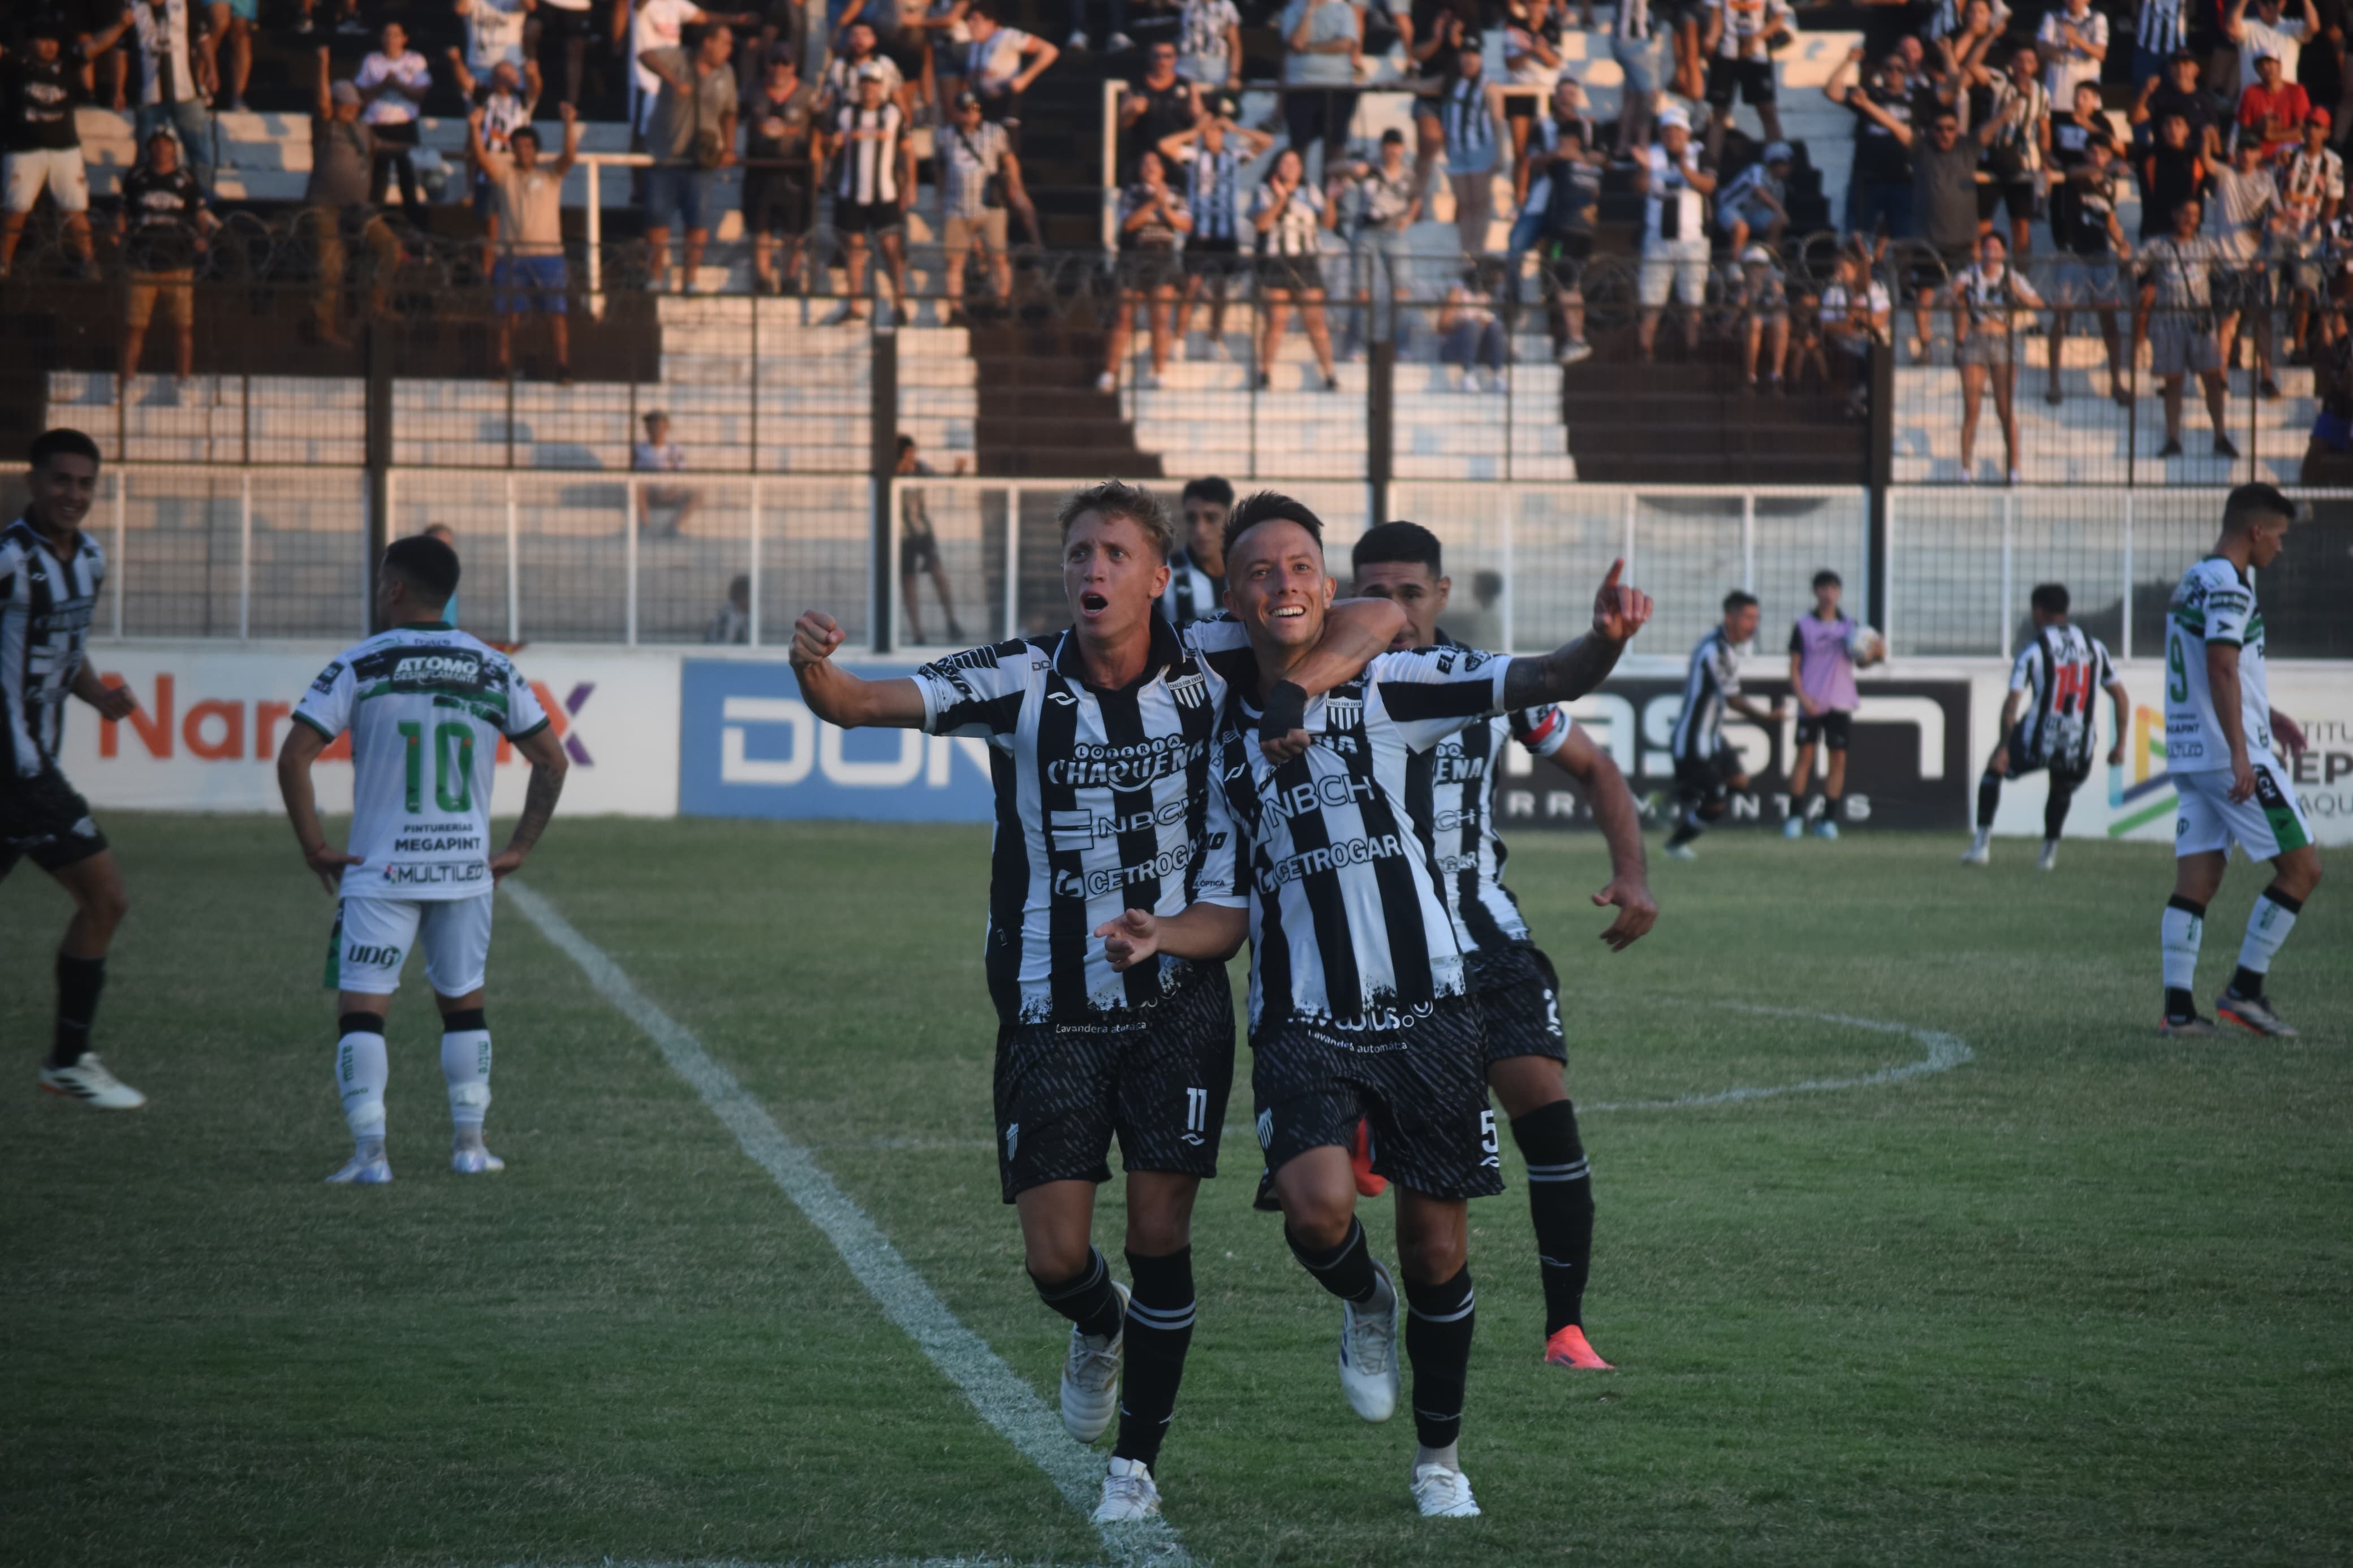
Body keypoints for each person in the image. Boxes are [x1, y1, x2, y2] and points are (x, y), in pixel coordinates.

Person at [785, 481, 1402, 1526]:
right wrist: (813, 665)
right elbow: (857, 702)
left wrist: (1305, 681)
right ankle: (1094, 1322)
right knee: (1055, 1256)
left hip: (1176, 999)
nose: (1093, 571)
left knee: (1163, 1235)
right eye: (1078, 554)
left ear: (1161, 578)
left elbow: (1380, 614)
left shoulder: (1211, 656)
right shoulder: (1017, 677)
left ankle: (1136, 1465)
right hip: (1046, 1004)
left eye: (1116, 553)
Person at [1109, 493, 1648, 1519]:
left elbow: (1536, 679)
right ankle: (1363, 1298)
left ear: (1330, 581)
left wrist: (1602, 640)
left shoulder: (1396, 683)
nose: (1285, 584)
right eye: (1261, 570)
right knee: (1316, 1211)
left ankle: (1440, 1458)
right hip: (1304, 1015)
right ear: (1232, 597)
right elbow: (1227, 901)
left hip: (1431, 1009)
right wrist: (1164, 930)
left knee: (1440, 1248)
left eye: (1303, 566)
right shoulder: (1218, 727)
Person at [1347, 520, 1656, 1376]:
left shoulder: (1489, 685)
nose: (1394, 611)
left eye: (1411, 592)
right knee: (1392, 1192)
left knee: (1544, 1103)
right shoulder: (1320, 684)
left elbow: (1597, 767)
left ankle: (1566, 1328)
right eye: (1374, 592)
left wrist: (1632, 874)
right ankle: (1367, 1132)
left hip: (1484, 931)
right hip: (1373, 951)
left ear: (1443, 597)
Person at [277, 533, 570, 1183]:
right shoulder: (493, 667)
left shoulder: (361, 664)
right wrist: (517, 848)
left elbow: (293, 755)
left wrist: (315, 848)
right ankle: (470, 1147)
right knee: (463, 1005)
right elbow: (552, 759)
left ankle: (370, 1155)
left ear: (394, 587)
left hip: (379, 871)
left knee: (363, 1011)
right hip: (465, 872)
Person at [5, 430, 145, 1111]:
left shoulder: (89, 559)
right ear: (32, 482)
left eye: (86, 484)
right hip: (18, 773)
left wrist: (97, 693)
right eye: (62, 480)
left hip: (33, 770)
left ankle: (67, 1061)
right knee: (107, 897)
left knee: (104, 902)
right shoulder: (6, 559)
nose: (74, 495)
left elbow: (66, 646)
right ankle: (67, 1061)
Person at [2154, 482, 2320, 1036]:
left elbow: (2219, 668)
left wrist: (2264, 711)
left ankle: (2177, 1011)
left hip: (2189, 752)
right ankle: (2243, 991)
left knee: (2195, 881)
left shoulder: (2193, 580)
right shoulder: (2229, 587)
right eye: (2277, 537)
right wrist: (2241, 754)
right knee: (2301, 870)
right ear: (2254, 531)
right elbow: (2221, 667)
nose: (2279, 548)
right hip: (2228, 756)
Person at [1960, 582, 2128, 870]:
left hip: (2039, 735)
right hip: (2079, 739)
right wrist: (2121, 743)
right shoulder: (2094, 647)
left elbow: (2013, 701)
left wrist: (2003, 747)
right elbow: (2120, 695)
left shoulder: (2035, 649)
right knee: (2061, 785)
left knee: (1993, 771)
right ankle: (2048, 855)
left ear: (2038, 611)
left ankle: (1981, 847)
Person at [1661, 590, 1787, 859]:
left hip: (1713, 737)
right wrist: (1767, 718)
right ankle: (1674, 844)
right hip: (1693, 740)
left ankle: (1681, 794)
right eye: (1748, 618)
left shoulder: (1722, 646)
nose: (1754, 625)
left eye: (1757, 618)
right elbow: (1734, 701)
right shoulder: (1716, 650)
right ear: (1730, 618)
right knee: (1716, 803)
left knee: (1739, 782)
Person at [469, 100, 581, 382]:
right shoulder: (505, 175)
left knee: (557, 315)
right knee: (507, 315)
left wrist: (569, 124)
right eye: (518, 147)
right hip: (513, 257)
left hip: (548, 256)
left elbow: (569, 156)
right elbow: (482, 158)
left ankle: (563, 366)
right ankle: (502, 364)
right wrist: (474, 127)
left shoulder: (550, 174)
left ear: (536, 150)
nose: (523, 152)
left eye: (528, 147)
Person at [301, 48, 399, 348]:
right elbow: (322, 104)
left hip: (358, 209)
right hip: (325, 207)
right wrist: (323, 65)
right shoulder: (326, 128)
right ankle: (324, 325)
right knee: (331, 263)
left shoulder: (363, 130)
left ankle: (377, 305)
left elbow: (384, 146)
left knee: (390, 246)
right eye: (345, 104)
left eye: (354, 105)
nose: (351, 109)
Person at [1160, 97, 1267, 359]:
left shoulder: (1234, 158)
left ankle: (1213, 337)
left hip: (1225, 233)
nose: (1211, 135)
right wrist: (1194, 131)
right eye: (1208, 131)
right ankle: (1180, 338)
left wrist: (1236, 129)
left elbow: (1266, 143)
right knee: (1192, 285)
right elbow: (1165, 146)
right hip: (1200, 232)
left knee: (1221, 287)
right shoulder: (1194, 157)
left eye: (1215, 130)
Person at [640, 21, 739, 295]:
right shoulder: (680, 58)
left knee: (697, 221)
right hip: (666, 156)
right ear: (708, 42)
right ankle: (656, 277)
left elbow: (730, 112)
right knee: (657, 219)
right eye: (725, 43)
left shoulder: (726, 73)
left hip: (701, 159)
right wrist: (672, 80)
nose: (729, 50)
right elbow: (645, 55)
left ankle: (690, 279)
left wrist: (729, 147)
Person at [115, 127, 216, 392]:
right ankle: (127, 382)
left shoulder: (186, 180)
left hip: (179, 264)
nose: (161, 149)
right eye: (156, 144)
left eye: (166, 144)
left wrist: (203, 237)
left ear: (174, 148)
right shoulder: (136, 178)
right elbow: (123, 212)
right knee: (134, 327)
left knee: (183, 328)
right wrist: (118, 233)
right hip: (141, 263)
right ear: (150, 148)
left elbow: (200, 215)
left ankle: (183, 383)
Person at [1782, 569, 1881, 839]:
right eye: (1823, 589)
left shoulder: (1851, 627)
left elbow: (1862, 662)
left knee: (1838, 760)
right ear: (1816, 592)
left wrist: (1876, 655)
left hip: (1840, 702)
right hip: (1812, 701)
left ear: (1839, 593)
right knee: (1804, 758)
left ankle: (1827, 821)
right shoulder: (1804, 626)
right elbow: (1794, 667)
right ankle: (1793, 819)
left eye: (1833, 589)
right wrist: (1803, 698)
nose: (1828, 594)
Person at [2141, 195, 2239, 457]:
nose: (2189, 219)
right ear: (2175, 214)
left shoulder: (2208, 246)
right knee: (2173, 382)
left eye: (2195, 215)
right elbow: (2135, 269)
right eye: (2185, 213)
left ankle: (2220, 436)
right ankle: (2173, 437)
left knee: (2212, 379)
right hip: (2169, 321)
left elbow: (2225, 278)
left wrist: (2226, 309)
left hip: (2200, 323)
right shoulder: (2157, 245)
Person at [2045, 131, 2133, 408]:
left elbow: (2109, 217)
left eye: (2102, 153)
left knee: (2110, 319)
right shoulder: (2077, 176)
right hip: (2073, 253)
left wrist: (2121, 242)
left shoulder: (2108, 183)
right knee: (2063, 316)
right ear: (2086, 154)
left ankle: (2117, 381)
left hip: (2100, 254)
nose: (2097, 157)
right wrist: (2104, 167)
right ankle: (2054, 382)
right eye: (2092, 152)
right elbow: (2071, 172)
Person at [1950, 231, 2046, 483]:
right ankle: (1965, 467)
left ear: (2003, 253)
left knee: (2005, 408)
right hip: (1976, 340)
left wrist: (2019, 294)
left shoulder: (2011, 277)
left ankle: (2013, 465)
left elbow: (2039, 304)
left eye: (1996, 248)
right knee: (1972, 408)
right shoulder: (1968, 275)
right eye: (1987, 248)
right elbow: (1944, 297)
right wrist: (1954, 292)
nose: (1990, 253)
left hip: (2004, 340)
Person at [1, 24, 94, 280]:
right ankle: (4, 264)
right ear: (31, 43)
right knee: (16, 207)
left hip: (65, 149)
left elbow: (95, 47)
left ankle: (89, 263)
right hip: (24, 149)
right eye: (43, 40)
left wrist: (122, 24)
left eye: (53, 41)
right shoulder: (16, 67)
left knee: (75, 208)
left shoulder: (68, 67)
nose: (50, 46)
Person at [824, 62, 912, 323]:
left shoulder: (894, 115)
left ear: (882, 86)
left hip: (885, 193)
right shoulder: (846, 114)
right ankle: (855, 306)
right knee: (854, 250)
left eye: (874, 82)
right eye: (865, 82)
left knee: (891, 249)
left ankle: (900, 303)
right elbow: (830, 149)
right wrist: (833, 145)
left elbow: (907, 153)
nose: (869, 87)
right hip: (852, 192)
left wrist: (909, 187)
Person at [1100, 149, 1192, 393]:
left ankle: (1159, 372)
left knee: (1160, 319)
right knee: (1123, 318)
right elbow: (1129, 224)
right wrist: (1154, 203)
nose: (1151, 168)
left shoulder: (1176, 195)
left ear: (1163, 170)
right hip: (1134, 260)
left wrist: (1166, 208)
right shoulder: (1132, 194)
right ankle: (1110, 373)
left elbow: (1185, 224)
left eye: (1155, 164)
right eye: (1146, 164)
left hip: (1163, 259)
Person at [937, 87, 1031, 320]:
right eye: (964, 111)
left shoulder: (994, 132)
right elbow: (939, 168)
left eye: (974, 110)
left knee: (998, 256)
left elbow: (1008, 160)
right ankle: (956, 308)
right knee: (955, 261)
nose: (969, 115)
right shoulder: (945, 136)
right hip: (957, 205)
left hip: (989, 204)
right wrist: (940, 196)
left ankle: (1002, 302)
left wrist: (1015, 187)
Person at [446, 50, 542, 278]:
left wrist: (533, 74)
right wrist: (457, 60)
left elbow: (535, 88)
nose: (503, 79)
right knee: (491, 224)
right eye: (498, 74)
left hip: (516, 168)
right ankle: (490, 273)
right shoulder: (485, 97)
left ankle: (518, 271)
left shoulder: (521, 100)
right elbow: (465, 81)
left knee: (519, 221)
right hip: (489, 168)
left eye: (508, 74)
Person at [1251, 145, 1339, 391]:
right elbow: (1262, 224)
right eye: (1286, 162)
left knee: (1315, 321)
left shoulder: (1310, 191)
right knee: (1277, 320)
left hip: (1305, 261)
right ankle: (1265, 373)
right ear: (1277, 166)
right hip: (1276, 261)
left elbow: (1328, 223)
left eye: (1296, 163)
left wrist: (1331, 198)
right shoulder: (1265, 190)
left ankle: (1329, 373)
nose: (1291, 167)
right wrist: (1280, 200)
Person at [1633, 105, 1715, 361]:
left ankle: (1693, 351)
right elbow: (1638, 187)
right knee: (1651, 300)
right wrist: (1645, 168)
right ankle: (1645, 351)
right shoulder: (1651, 154)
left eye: (1678, 131)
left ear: (1687, 133)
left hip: (1692, 240)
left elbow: (1709, 186)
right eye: (1667, 131)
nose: (1673, 136)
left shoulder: (1700, 154)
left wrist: (1685, 170)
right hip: (1658, 239)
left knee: (1693, 300)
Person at [1525, 96, 1600, 365]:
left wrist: (1558, 154)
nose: (1558, 146)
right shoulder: (1593, 166)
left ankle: (1576, 338)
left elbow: (1536, 164)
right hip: (1585, 234)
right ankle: (1576, 338)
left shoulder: (1565, 162)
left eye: (1562, 141)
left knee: (1563, 285)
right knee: (1573, 286)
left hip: (1565, 231)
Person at [1334, 127, 1420, 358]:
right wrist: (1352, 168)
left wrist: (1408, 219)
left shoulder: (1409, 175)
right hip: (1366, 233)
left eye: (1396, 145)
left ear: (1402, 149)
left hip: (1393, 234)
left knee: (1402, 291)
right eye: (1388, 145)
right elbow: (1333, 169)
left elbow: (1416, 199)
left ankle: (1402, 346)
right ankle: (1358, 345)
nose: (1392, 150)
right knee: (1362, 291)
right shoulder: (1369, 169)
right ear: (1382, 148)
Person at [2208, 134, 2283, 398]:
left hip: (2257, 261)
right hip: (2228, 262)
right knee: (2226, 320)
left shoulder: (2266, 180)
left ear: (2259, 153)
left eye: (2251, 149)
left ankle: (2266, 376)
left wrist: (2276, 223)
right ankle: (2221, 376)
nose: (2245, 154)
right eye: (2242, 149)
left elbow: (2279, 213)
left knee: (2263, 318)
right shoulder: (2227, 175)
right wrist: (2208, 138)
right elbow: (2207, 163)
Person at [741, 47, 818, 296]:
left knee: (793, 228)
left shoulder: (807, 94)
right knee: (761, 225)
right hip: (761, 165)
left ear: (794, 66)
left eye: (785, 63)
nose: (780, 69)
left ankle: (790, 277)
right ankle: (763, 277)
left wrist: (816, 157)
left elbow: (819, 126)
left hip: (794, 167)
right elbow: (732, 116)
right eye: (775, 62)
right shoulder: (753, 91)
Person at [1420, 41, 1502, 260]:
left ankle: (1478, 251)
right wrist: (1392, 83)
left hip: (1480, 151)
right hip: (1457, 152)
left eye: (1474, 55)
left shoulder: (1489, 86)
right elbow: (1422, 85)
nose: (1470, 59)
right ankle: (1468, 253)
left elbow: (1498, 123)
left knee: (1480, 204)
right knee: (1465, 205)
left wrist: (1500, 155)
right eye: (1466, 55)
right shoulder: (1450, 83)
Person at [2278, 111, 2341, 361]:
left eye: (2318, 126)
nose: (2312, 131)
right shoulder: (2287, 153)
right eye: (2309, 125)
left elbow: (2333, 200)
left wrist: (2321, 228)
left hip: (2309, 232)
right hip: (2281, 230)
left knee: (2305, 289)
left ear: (2326, 132)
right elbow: (2269, 184)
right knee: (2264, 290)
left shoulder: (2332, 162)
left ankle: (2299, 346)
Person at [1700, 0, 1793, 167]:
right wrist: (1711, 40)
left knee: (1767, 109)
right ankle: (1710, 167)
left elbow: (1779, 19)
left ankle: (1779, 164)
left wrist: (1756, 38)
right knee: (1719, 111)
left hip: (1758, 54)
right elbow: (1716, 18)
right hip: (1726, 53)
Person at [1979, 44, 2050, 260]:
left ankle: (2020, 280)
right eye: (2019, 60)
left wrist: (2046, 159)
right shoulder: (1999, 82)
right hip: (1993, 157)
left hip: (2024, 162)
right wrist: (1989, 35)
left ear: (2036, 67)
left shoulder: (2042, 92)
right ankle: (1981, 276)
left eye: (2030, 62)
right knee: (1982, 223)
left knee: (2021, 224)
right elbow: (1973, 67)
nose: (2024, 67)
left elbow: (2044, 129)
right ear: (2011, 63)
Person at [355, 21, 430, 212]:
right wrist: (383, 85)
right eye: (387, 35)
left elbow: (420, 95)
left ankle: (413, 221)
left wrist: (398, 84)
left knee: (408, 175)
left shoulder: (415, 60)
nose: (391, 40)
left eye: (396, 35)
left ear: (405, 38)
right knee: (378, 176)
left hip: (404, 124)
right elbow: (362, 96)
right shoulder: (372, 60)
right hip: (377, 124)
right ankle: (373, 220)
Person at [895, 433, 963, 642]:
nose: (912, 458)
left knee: (938, 573)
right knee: (909, 581)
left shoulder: (920, 468)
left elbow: (940, 480)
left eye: (913, 453)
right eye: (908, 454)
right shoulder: (892, 471)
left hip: (923, 533)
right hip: (902, 536)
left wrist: (957, 473)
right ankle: (918, 632)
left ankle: (952, 622)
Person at [1282, 0, 1363, 166]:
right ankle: (1298, 189)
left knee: (1336, 146)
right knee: (1299, 145)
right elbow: (1297, 42)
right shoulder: (1293, 9)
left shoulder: (1343, 10)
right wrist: (1309, 11)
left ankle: (1332, 190)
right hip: (1300, 87)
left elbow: (1345, 44)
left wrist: (1309, 48)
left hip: (1338, 87)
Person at [1819, 244, 1891, 416]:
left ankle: (1862, 400)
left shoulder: (1876, 289)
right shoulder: (1833, 291)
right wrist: (1847, 325)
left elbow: (1881, 318)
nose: (1838, 273)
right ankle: (1853, 401)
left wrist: (1860, 317)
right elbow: (1825, 324)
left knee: (1875, 354)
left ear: (1856, 268)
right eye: (1836, 268)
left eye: (1842, 268)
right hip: (1845, 348)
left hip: (1871, 346)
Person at [961, 1, 1056, 131]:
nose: (970, 25)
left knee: (1006, 145)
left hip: (1007, 103)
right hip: (984, 104)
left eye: (976, 20)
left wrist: (1024, 79)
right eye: (969, 20)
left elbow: (1049, 51)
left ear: (991, 22)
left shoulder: (1007, 36)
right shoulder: (976, 45)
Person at [1158, 474, 1229, 630]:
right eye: (1192, 519)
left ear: (1229, 517)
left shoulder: (1246, 571)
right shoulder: (1164, 576)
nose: (1200, 530)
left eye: (1211, 518)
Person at [1118, 40, 1196, 176]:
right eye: (1157, 56)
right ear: (1150, 58)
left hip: (1175, 156)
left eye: (1167, 56)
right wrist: (1133, 112)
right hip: (1144, 158)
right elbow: (1121, 124)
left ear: (1175, 59)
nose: (1161, 61)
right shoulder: (1137, 85)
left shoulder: (1186, 85)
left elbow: (1198, 120)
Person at [2134, 47, 2221, 158]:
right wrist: (2146, 92)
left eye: (2186, 65)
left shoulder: (2205, 99)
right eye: (2176, 65)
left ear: (2196, 70)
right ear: (2170, 69)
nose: (2180, 69)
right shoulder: (2161, 95)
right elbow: (2135, 119)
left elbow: (2215, 139)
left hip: (2195, 162)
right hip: (2164, 159)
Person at [1437, 261, 1509, 390]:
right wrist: (1465, 321)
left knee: (1495, 326)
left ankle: (1498, 375)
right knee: (1472, 326)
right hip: (1453, 347)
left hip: (1476, 348)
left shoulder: (1487, 295)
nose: (1500, 279)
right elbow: (1442, 326)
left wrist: (1485, 323)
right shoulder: (1458, 292)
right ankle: (1467, 376)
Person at [1715, 140, 1791, 261]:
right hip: (1729, 208)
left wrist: (1781, 217)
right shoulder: (1757, 169)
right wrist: (1780, 210)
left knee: (1778, 222)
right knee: (1742, 228)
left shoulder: (1779, 186)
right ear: (1776, 161)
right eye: (1785, 164)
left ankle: (1768, 262)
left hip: (1752, 214)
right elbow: (1759, 190)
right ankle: (1735, 265)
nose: (1788, 168)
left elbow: (1778, 215)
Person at [1611, 0, 1668, 160]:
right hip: (1634, 39)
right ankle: (1643, 146)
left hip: (1624, 38)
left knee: (1634, 95)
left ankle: (1622, 147)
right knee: (1649, 95)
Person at [2226, 0, 2318, 96]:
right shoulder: (2248, 27)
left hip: (2285, 101)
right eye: (2265, 2)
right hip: (2254, 102)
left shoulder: (2292, 27)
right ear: (2258, 4)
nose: (2270, 6)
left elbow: (2313, 27)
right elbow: (2231, 29)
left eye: (2275, 2)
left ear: (2283, 4)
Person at [633, 411, 701, 534]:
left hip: (669, 491)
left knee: (698, 494)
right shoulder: (639, 449)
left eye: (659, 425)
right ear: (647, 428)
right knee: (637, 488)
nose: (655, 428)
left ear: (666, 427)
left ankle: (674, 527)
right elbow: (635, 474)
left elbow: (682, 472)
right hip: (649, 492)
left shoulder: (675, 449)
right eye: (651, 425)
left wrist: (673, 487)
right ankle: (645, 525)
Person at [1736, 240, 1790, 392]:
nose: (1756, 270)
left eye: (1760, 266)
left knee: (1781, 323)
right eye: (1753, 266)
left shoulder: (1775, 282)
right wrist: (1744, 301)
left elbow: (1783, 309)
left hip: (1772, 319)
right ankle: (1750, 377)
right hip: (1749, 322)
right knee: (1754, 323)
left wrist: (1777, 295)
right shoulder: (1741, 283)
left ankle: (1777, 376)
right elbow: (1732, 317)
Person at [2238, 47, 2311, 157]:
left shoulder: (2297, 91)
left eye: (2270, 62)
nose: (2266, 67)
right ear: (2257, 69)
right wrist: (2260, 126)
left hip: (2289, 153)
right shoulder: (2250, 92)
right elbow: (2243, 130)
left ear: (2280, 66)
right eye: (2261, 65)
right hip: (2259, 155)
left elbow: (2302, 129)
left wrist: (2271, 136)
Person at [2036, 0, 2108, 106]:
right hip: (2056, 96)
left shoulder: (2097, 18)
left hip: (2087, 101)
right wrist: (2064, 49)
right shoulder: (2052, 17)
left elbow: (2100, 53)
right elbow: (2041, 50)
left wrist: (2076, 39)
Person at [458, 0, 535, 80]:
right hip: (479, 66)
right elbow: (460, 9)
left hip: (512, 67)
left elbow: (530, 6)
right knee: (478, 92)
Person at [1175, 0, 1241, 92]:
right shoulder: (1186, 3)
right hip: (1186, 63)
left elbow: (1234, 44)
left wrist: (1234, 75)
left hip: (1216, 64)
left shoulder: (1227, 5)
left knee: (1215, 99)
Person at [706, 571, 751, 642]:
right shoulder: (730, 617)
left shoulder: (740, 614)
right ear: (742, 596)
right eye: (750, 596)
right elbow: (725, 646)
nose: (753, 601)